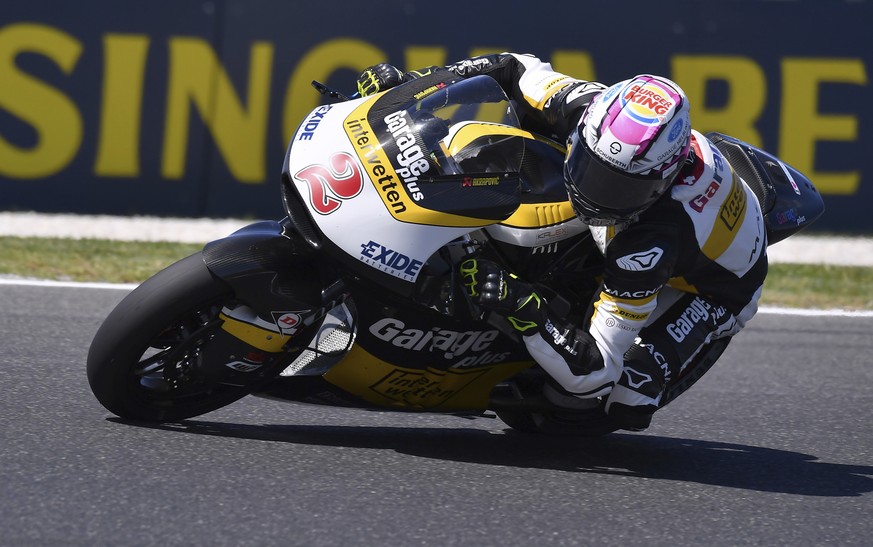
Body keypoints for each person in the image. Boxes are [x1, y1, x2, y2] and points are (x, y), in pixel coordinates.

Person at [356, 53, 767, 431]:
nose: (595, 192)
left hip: (716, 289)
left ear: (662, 178)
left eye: (618, 186)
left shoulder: (649, 245)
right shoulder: (586, 106)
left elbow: (597, 370)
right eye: (591, 167)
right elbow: (513, 66)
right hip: (631, 219)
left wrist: (522, 305)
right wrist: (413, 85)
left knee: (622, 397)